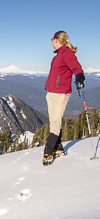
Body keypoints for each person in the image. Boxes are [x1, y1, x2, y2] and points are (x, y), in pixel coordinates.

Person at [43, 30, 85, 166]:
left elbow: (76, 66)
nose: (51, 42)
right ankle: (58, 147)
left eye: (52, 39)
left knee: (55, 123)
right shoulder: (58, 55)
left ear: (56, 39)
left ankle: (48, 152)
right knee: (54, 121)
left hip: (60, 93)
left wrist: (79, 75)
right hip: (52, 92)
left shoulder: (66, 53)